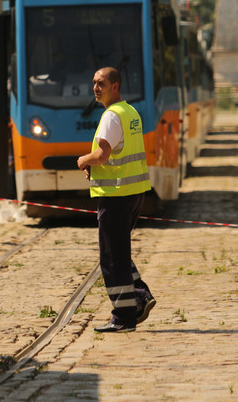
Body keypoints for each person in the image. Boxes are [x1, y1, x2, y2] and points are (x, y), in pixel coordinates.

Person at [77, 67, 156, 333]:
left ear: (115, 86)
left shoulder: (111, 116)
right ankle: (140, 296)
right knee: (119, 253)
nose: (96, 88)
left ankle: (123, 317)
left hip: (116, 195)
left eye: (101, 83)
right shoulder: (130, 112)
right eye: (94, 83)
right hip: (134, 191)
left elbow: (102, 154)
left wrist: (83, 161)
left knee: (111, 258)